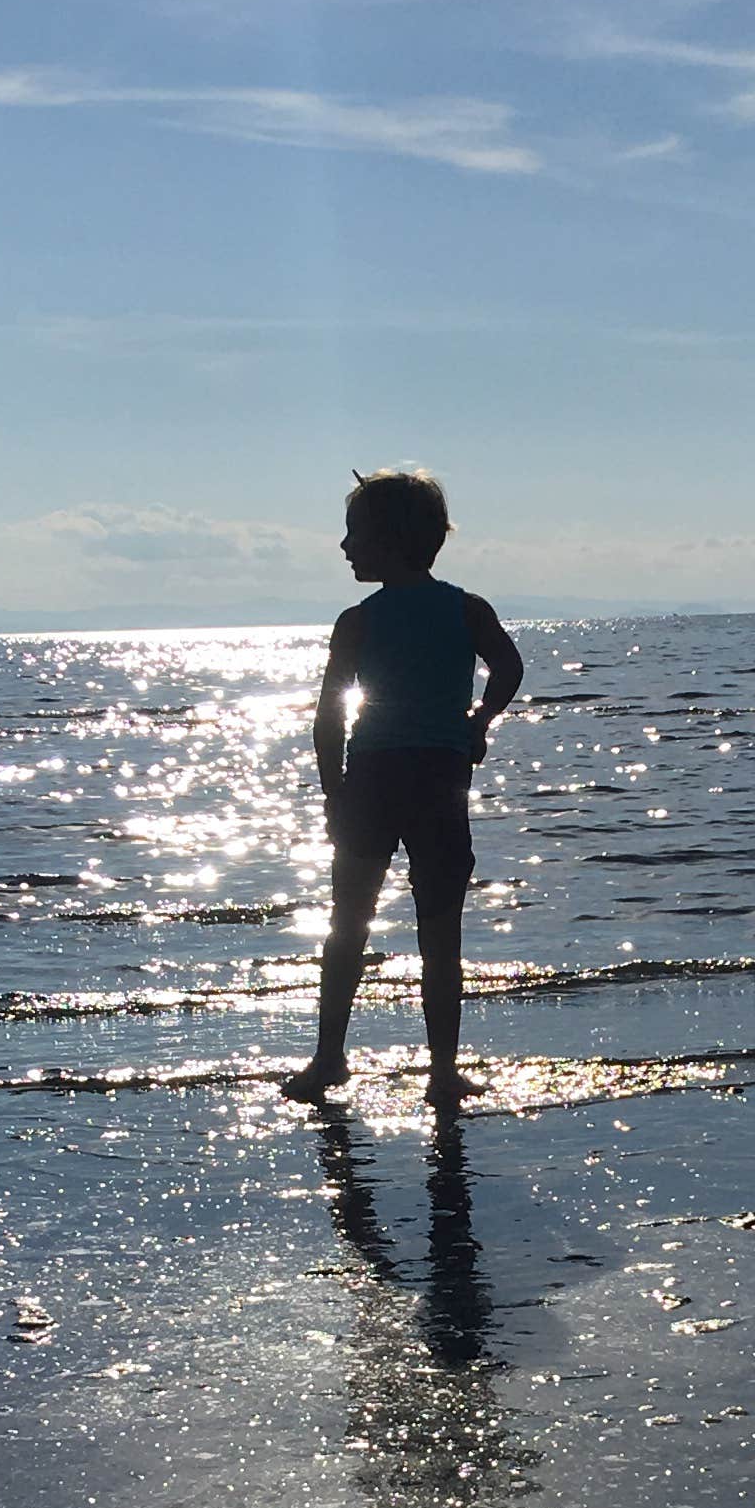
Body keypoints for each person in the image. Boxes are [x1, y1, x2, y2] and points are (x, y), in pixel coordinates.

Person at [281, 467, 525, 1107]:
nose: (344, 547)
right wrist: (480, 719)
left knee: (348, 925)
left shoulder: (357, 621)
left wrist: (333, 792)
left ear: (387, 541)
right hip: (440, 779)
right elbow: (509, 667)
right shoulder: (467, 609)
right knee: (440, 933)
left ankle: (330, 1058)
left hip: (376, 780)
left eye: (353, 534)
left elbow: (331, 715)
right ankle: (441, 1072)